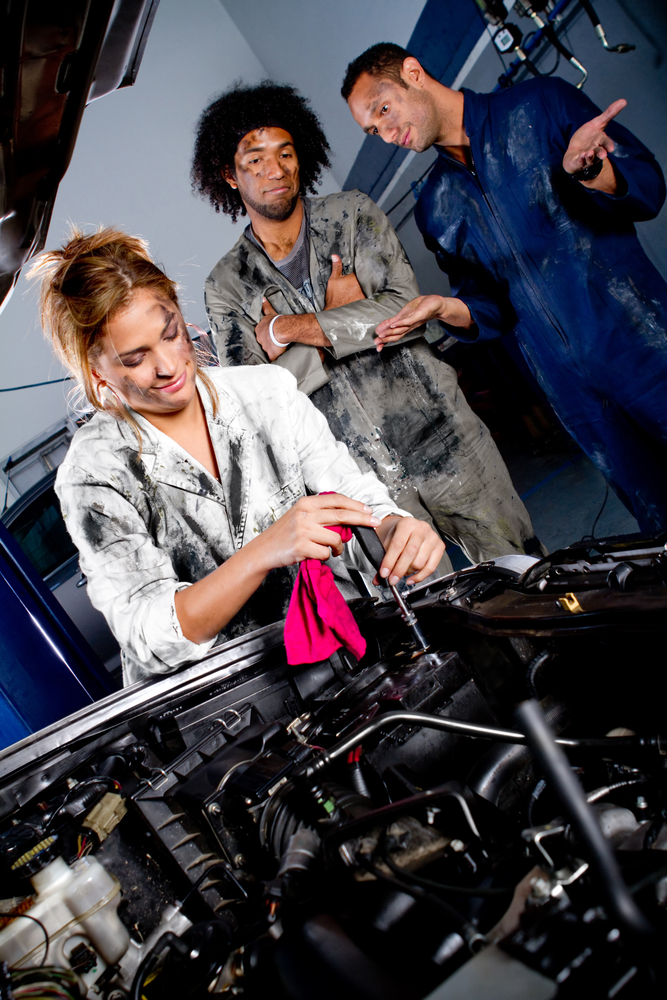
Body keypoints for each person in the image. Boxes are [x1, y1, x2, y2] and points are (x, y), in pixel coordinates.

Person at [31, 228, 444, 685]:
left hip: (344, 656)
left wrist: (391, 526)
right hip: (231, 712)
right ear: (97, 372)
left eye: (171, 335)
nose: (169, 366)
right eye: (135, 359)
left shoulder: (266, 392)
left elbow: (351, 490)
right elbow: (149, 635)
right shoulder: (95, 473)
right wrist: (264, 551)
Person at [192, 82, 542, 571]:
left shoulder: (351, 215)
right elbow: (260, 403)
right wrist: (344, 322)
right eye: (254, 159)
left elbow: (400, 310)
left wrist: (288, 331)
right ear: (228, 175)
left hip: (444, 437)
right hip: (361, 488)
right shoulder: (227, 286)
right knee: (436, 622)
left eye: (285, 153)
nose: (275, 169)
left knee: (524, 572)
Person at [342, 43, 667, 534]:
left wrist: (593, 171)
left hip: (643, 349)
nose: (387, 134)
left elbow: (647, 189)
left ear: (414, 72)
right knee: (659, 520)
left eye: (383, 110)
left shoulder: (540, 108)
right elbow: (493, 306)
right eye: (373, 130)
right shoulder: (437, 205)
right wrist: (446, 307)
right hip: (575, 395)